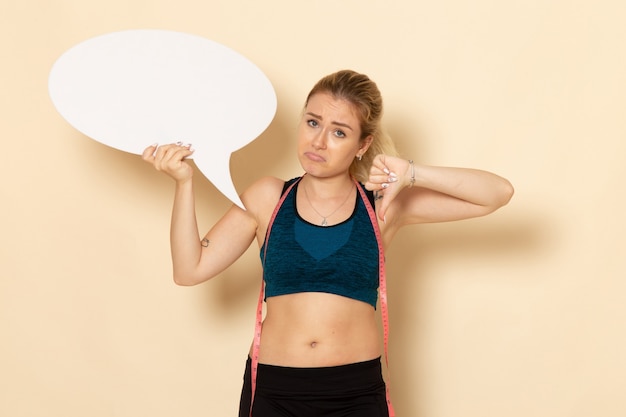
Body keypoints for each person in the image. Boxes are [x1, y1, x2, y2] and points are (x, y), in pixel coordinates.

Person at [142, 69, 514, 417]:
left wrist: (413, 172)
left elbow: (496, 194)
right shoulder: (268, 196)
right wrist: (184, 182)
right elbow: (189, 270)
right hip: (275, 391)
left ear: (362, 144)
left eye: (339, 132)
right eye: (313, 122)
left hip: (355, 393)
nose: (318, 141)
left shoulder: (383, 205)